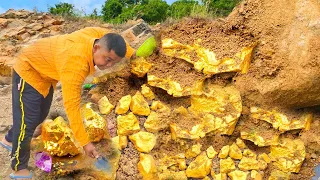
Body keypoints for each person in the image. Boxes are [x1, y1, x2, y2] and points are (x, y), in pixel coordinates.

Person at [0, 27, 135, 179]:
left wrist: (132, 53)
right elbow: (72, 107)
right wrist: (85, 143)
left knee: (39, 115)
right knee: (27, 120)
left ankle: (9, 139)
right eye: (107, 59)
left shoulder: (94, 38)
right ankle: (19, 169)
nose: (109, 65)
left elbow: (106, 33)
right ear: (96, 48)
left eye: (114, 62)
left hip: (46, 72)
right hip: (29, 68)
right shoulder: (76, 66)